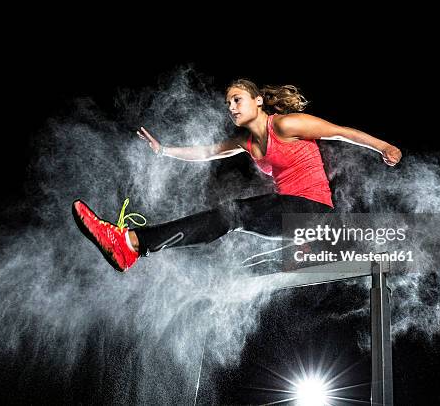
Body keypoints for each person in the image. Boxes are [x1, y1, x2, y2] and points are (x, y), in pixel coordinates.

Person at [72, 79, 402, 272]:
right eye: (228, 102)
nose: (231, 107)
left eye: (237, 99)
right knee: (228, 216)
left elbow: (341, 132)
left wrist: (384, 145)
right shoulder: (244, 141)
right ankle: (133, 246)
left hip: (314, 212)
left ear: (258, 101)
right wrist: (163, 150)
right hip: (293, 218)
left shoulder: (286, 125)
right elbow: (207, 152)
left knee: (233, 214)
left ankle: (132, 242)